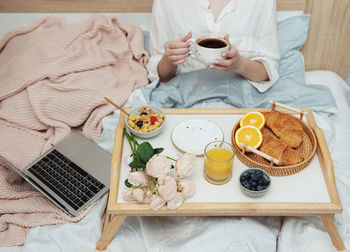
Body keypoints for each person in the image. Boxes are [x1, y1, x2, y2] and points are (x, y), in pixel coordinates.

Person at [146, 0, 280, 93]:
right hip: (181, 101)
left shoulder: (262, 3)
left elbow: (268, 71)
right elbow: (160, 75)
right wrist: (169, 60)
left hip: (243, 103)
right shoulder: (166, 3)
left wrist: (240, 65)